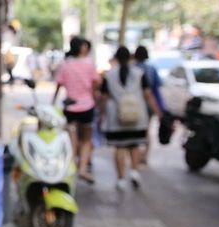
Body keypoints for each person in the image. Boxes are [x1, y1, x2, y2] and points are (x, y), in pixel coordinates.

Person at [99, 46, 161, 190]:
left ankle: (120, 178)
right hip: (137, 117)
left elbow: (103, 97)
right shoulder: (139, 73)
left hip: (116, 118)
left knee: (120, 147)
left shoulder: (109, 75)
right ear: (130, 58)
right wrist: (157, 111)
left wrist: (102, 114)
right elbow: (148, 94)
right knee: (134, 145)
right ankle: (134, 171)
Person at [52, 36, 100, 183]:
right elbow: (95, 83)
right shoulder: (89, 64)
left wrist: (53, 102)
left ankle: (71, 166)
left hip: (70, 107)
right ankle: (82, 169)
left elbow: (58, 85)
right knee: (86, 139)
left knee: (71, 139)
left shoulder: (65, 64)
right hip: (87, 106)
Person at [133, 45, 162, 163]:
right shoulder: (151, 69)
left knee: (135, 131)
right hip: (147, 105)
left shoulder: (132, 69)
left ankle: (137, 154)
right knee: (146, 131)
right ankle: (144, 155)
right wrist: (158, 108)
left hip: (134, 105)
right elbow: (156, 88)